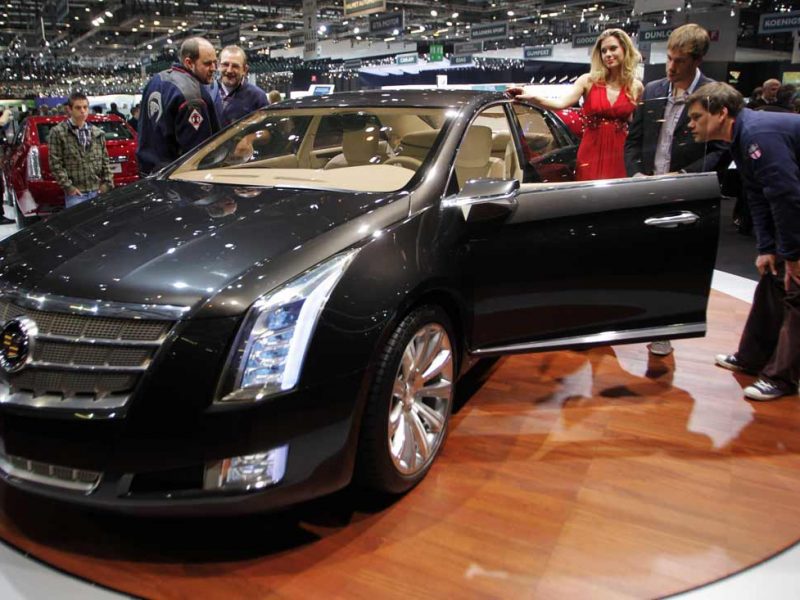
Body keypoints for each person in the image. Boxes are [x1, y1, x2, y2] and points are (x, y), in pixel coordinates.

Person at [685, 82, 800, 401]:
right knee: (773, 278)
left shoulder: (758, 135)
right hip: (790, 205)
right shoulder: (741, 137)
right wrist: (767, 249)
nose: (691, 125)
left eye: (696, 117)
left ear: (722, 113)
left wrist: (792, 254)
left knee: (797, 291)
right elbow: (758, 196)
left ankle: (783, 378)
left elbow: (787, 197)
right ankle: (754, 357)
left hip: (795, 203)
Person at [624, 23, 729, 356]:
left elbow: (721, 149)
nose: (671, 67)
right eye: (669, 59)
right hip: (646, 187)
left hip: (687, 191)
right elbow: (633, 141)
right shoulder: (653, 90)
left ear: (697, 60)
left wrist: (685, 175)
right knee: (642, 259)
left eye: (679, 61)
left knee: (678, 264)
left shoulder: (714, 94)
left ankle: (665, 328)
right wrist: (636, 174)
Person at [507, 28, 642, 181]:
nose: (608, 54)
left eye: (613, 48)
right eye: (603, 51)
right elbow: (560, 103)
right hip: (591, 150)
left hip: (621, 152)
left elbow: (637, 125)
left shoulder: (636, 87)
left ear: (625, 49)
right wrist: (530, 96)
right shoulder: (588, 81)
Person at [136, 36, 220, 175]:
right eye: (207, 64)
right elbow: (198, 155)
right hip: (177, 180)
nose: (213, 68)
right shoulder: (193, 96)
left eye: (215, 63)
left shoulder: (156, 81)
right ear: (188, 62)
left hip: (148, 174)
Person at [48, 91, 114, 208]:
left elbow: (105, 161)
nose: (82, 111)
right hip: (76, 193)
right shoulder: (58, 132)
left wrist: (107, 183)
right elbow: (55, 163)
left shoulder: (97, 133)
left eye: (85, 107)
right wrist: (68, 187)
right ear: (69, 109)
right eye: (78, 108)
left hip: (97, 190)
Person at [210, 45, 267, 127]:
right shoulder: (208, 92)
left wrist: (250, 138)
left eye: (235, 66)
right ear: (218, 66)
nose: (229, 70)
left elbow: (266, 131)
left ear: (244, 70)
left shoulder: (257, 97)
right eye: (225, 64)